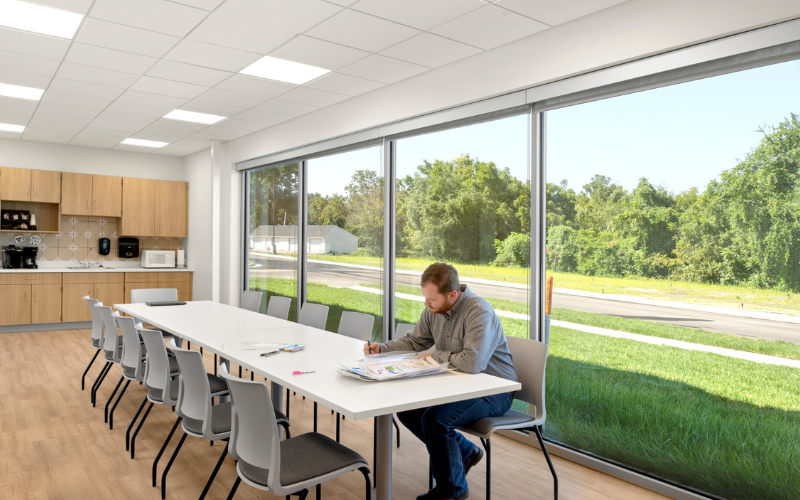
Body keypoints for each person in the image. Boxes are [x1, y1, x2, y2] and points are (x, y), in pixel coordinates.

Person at [364, 263, 518, 500]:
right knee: (408, 411)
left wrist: (434, 356)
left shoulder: (479, 311)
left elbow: (473, 363)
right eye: (425, 298)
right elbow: (416, 342)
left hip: (496, 390)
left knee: (436, 420)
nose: (426, 304)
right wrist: (383, 349)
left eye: (431, 299)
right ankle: (465, 452)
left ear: (452, 295)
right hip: (462, 384)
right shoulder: (434, 309)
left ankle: (452, 490)